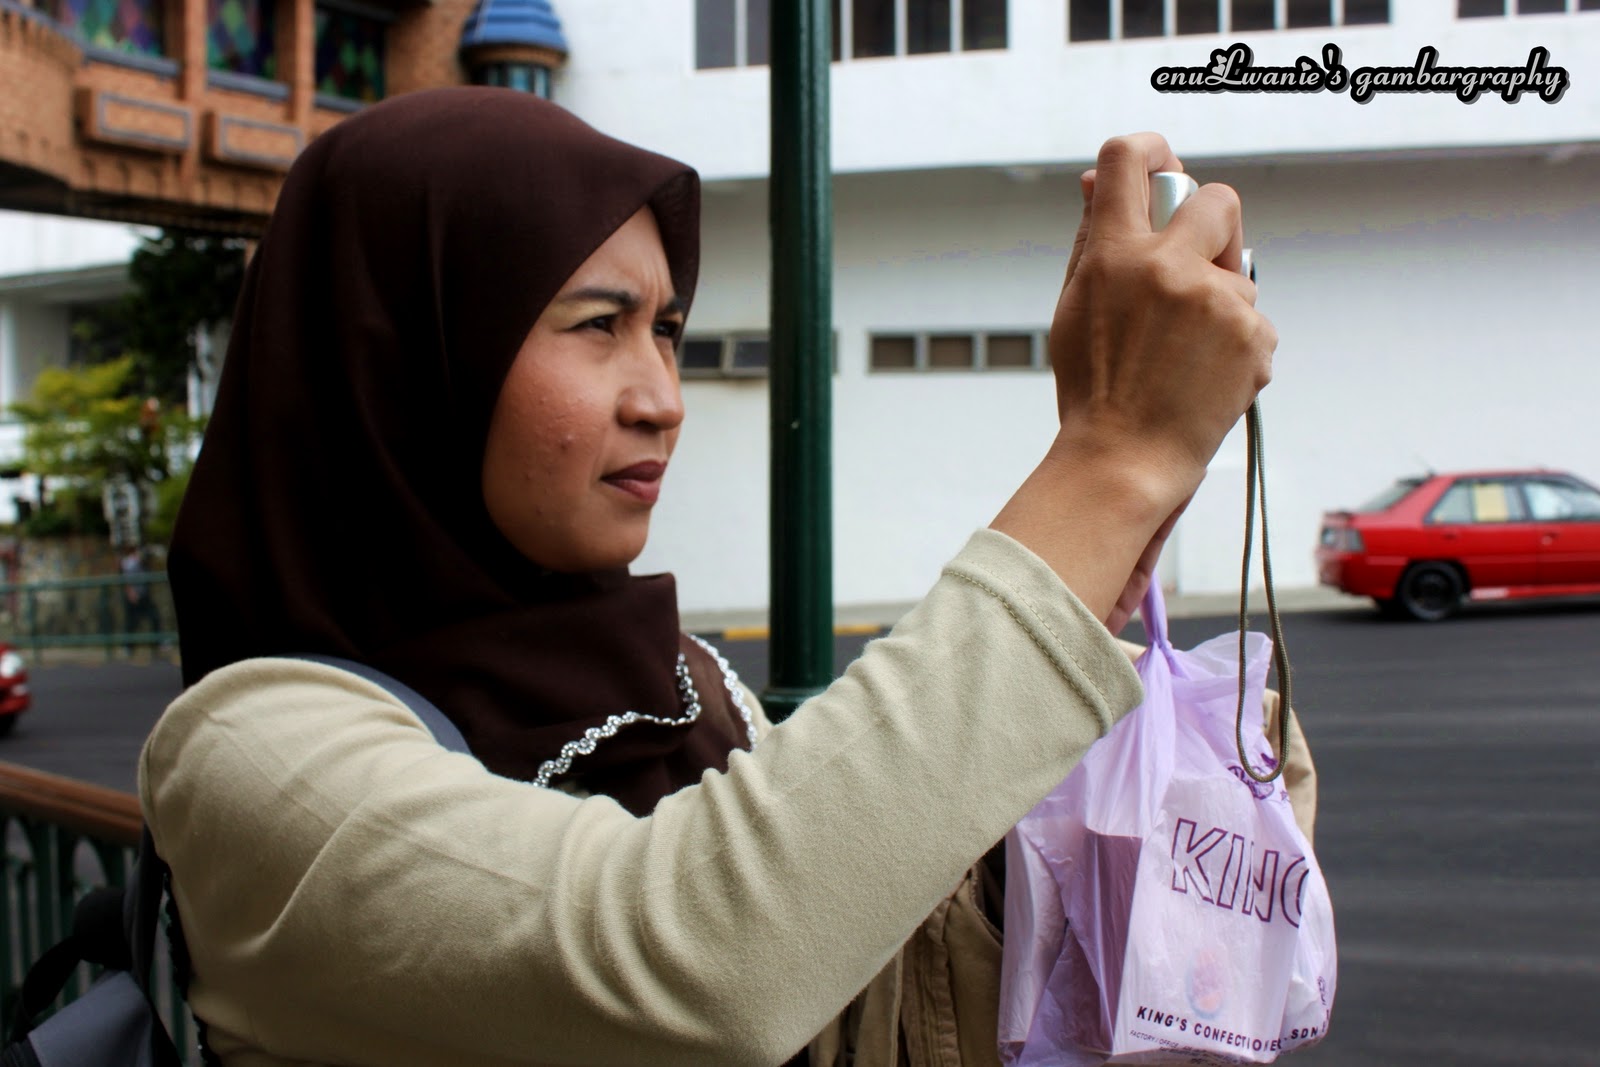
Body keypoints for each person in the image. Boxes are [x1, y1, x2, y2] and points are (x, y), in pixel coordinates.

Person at [141, 88, 1308, 1067]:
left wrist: (1107, 635)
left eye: (667, 330)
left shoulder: (684, 680)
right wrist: (1109, 459)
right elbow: (705, 953)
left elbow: (850, 983)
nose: (662, 397)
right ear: (403, 357)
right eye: (596, 325)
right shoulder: (258, 757)